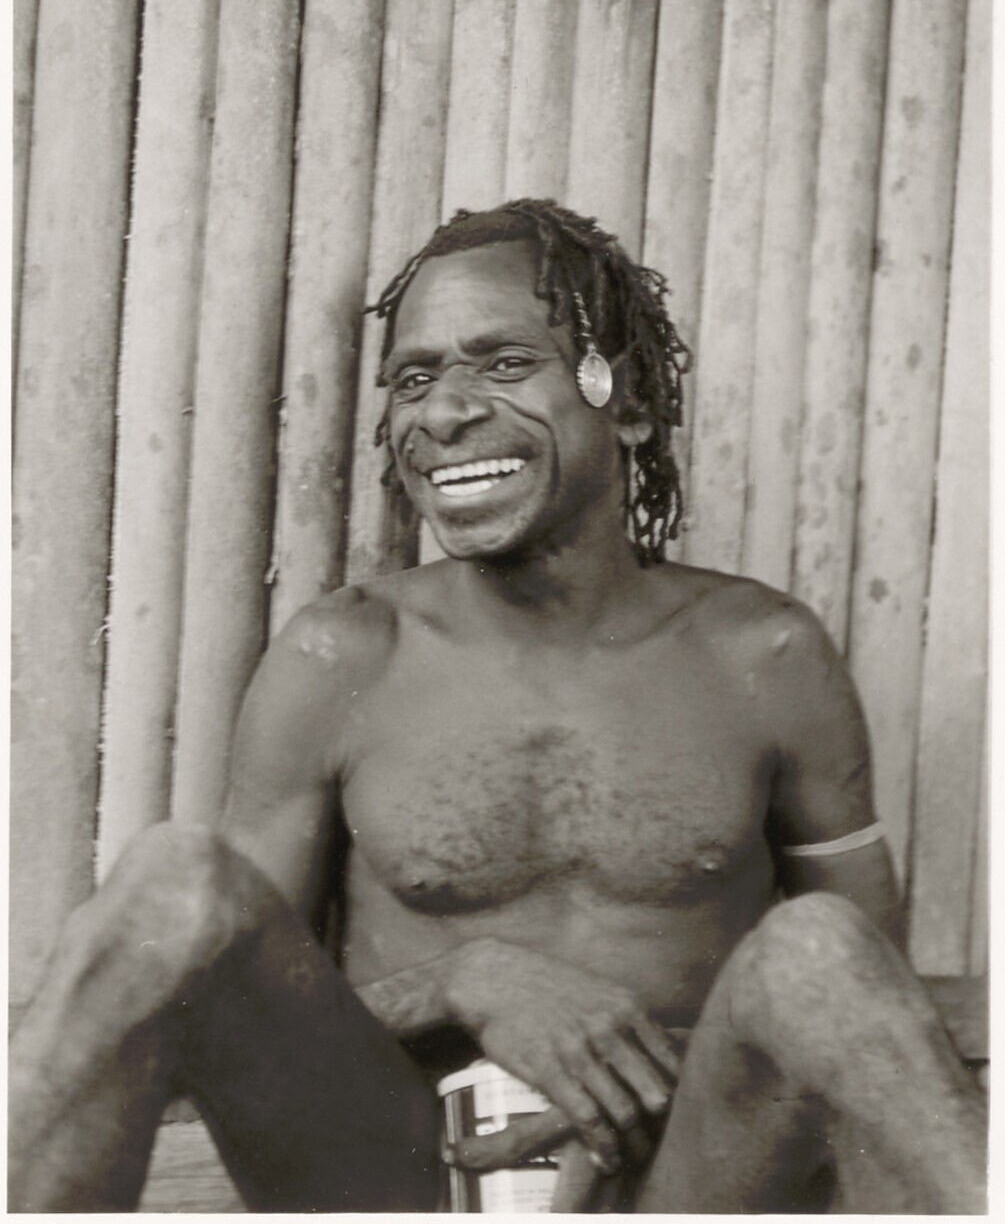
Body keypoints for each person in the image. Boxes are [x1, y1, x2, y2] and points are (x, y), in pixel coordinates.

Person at [9, 200, 985, 1213]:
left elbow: (870, 1008)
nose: (443, 413)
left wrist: (651, 1073)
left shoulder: (766, 656)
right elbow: (232, 1005)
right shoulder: (340, 657)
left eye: (506, 363)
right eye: (413, 379)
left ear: (626, 403)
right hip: (401, 1174)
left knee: (820, 951)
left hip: (676, 1182)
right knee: (172, 886)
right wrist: (460, 979)